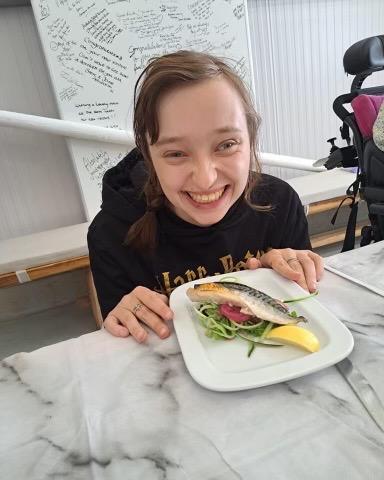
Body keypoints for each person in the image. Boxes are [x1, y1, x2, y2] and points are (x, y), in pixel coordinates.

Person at [88, 50, 323, 342]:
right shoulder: (112, 233)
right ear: (148, 156)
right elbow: (120, 339)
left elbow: (305, 309)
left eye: (226, 145)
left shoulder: (280, 203)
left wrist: (291, 272)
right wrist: (122, 317)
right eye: (176, 153)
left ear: (251, 139)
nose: (206, 178)